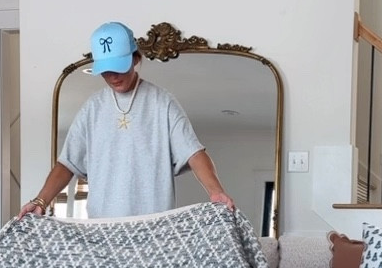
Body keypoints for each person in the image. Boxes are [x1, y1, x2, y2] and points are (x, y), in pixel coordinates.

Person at [20, 21, 235, 219]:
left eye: (119, 67)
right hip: (102, 229)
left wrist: (216, 191)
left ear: (136, 59)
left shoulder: (162, 103)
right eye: (106, 70)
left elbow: (194, 153)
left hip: (153, 228)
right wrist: (40, 200)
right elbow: (67, 163)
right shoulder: (92, 109)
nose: (113, 76)